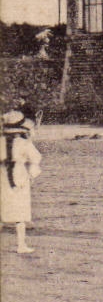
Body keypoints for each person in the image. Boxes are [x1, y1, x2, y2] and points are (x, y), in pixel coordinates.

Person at [2, 109, 42, 254]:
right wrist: (32, 175)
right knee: (20, 213)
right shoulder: (24, 143)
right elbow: (35, 159)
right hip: (19, 176)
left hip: (1, 176)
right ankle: (21, 245)